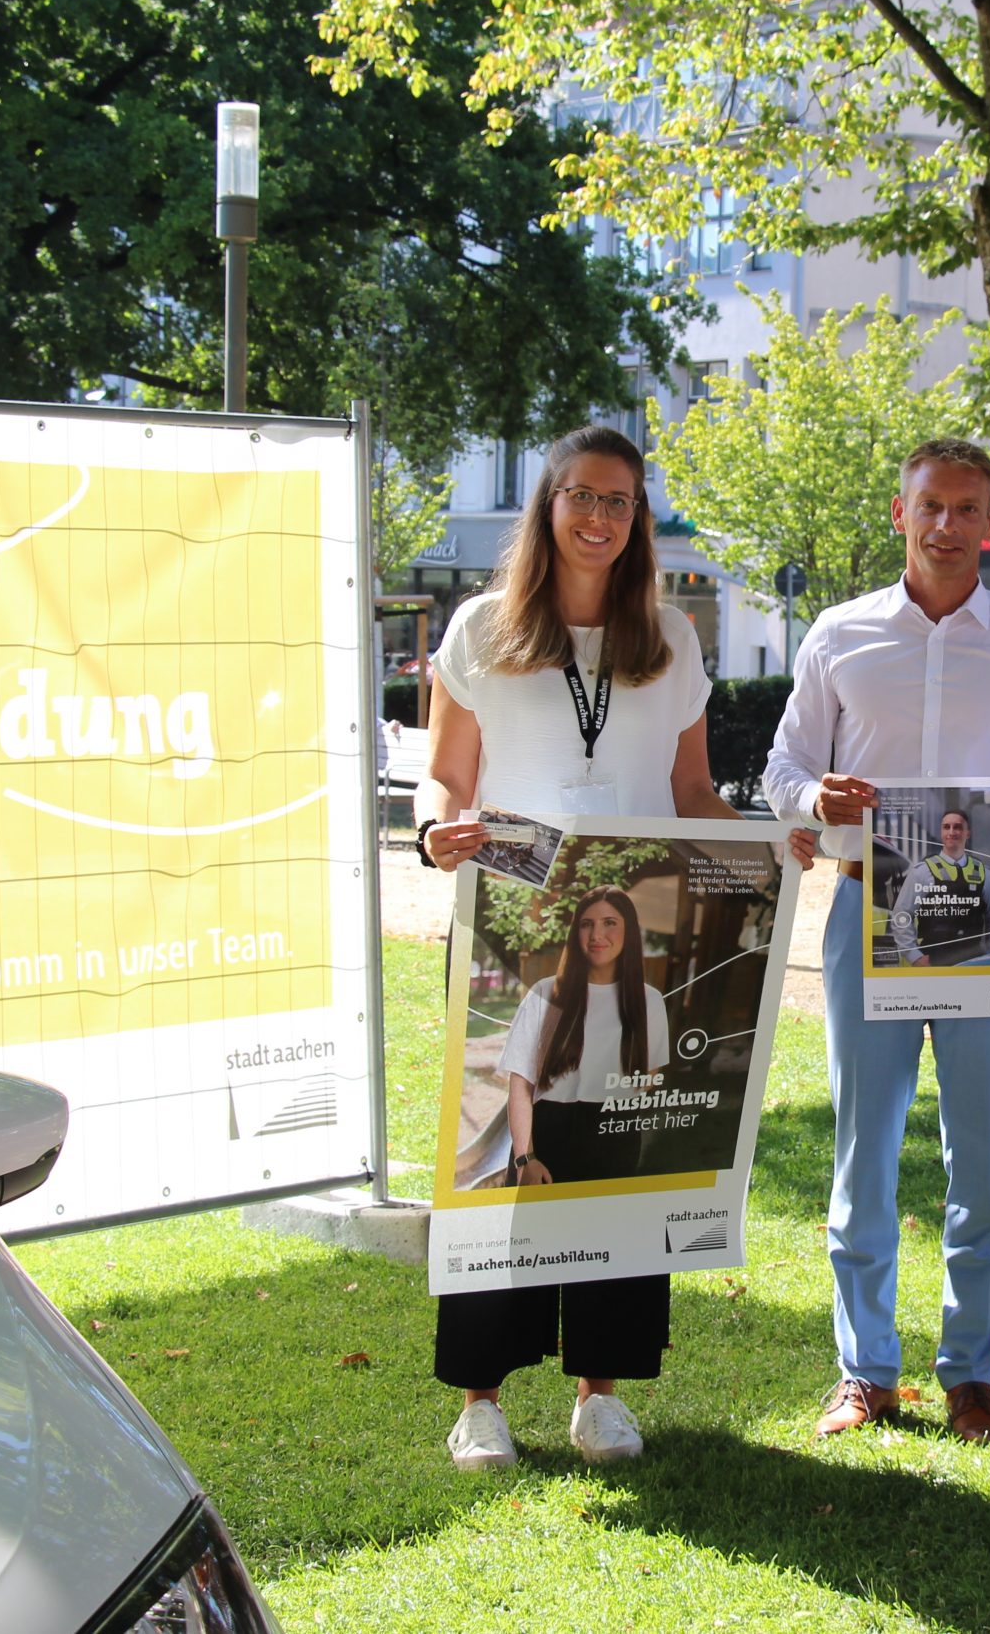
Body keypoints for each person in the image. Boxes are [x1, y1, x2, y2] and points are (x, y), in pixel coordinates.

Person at [412, 423, 742, 1472]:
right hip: (508, 927)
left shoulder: (670, 638)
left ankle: (601, 1392)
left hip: (627, 945)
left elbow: (691, 795)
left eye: (621, 501)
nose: (601, 517)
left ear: (637, 517)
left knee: (620, 1154)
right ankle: (480, 1399)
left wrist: (770, 847)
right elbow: (446, 779)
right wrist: (431, 833)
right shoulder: (481, 629)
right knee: (505, 1160)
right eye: (583, 497)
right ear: (547, 505)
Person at [764, 436, 990, 1444]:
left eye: (968, 509)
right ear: (899, 514)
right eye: (930, 507)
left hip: (989, 931)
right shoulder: (838, 635)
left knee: (980, 1166)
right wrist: (814, 800)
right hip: (868, 924)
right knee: (862, 1157)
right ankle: (863, 1372)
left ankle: (970, 1376)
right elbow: (779, 773)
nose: (949, 526)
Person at [496, 889, 670, 1188]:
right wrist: (525, 1158)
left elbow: (648, 1081)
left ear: (629, 931)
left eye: (609, 923)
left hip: (615, 1142)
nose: (596, 934)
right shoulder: (544, 994)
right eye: (586, 924)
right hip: (546, 1141)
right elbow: (520, 1084)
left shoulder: (649, 1001)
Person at [886, 808, 990, 968]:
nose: (951, 832)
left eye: (958, 827)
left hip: (974, 960)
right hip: (933, 961)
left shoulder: (983, 872)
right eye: (946, 827)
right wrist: (915, 956)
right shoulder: (923, 871)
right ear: (941, 832)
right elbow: (901, 914)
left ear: (968, 833)